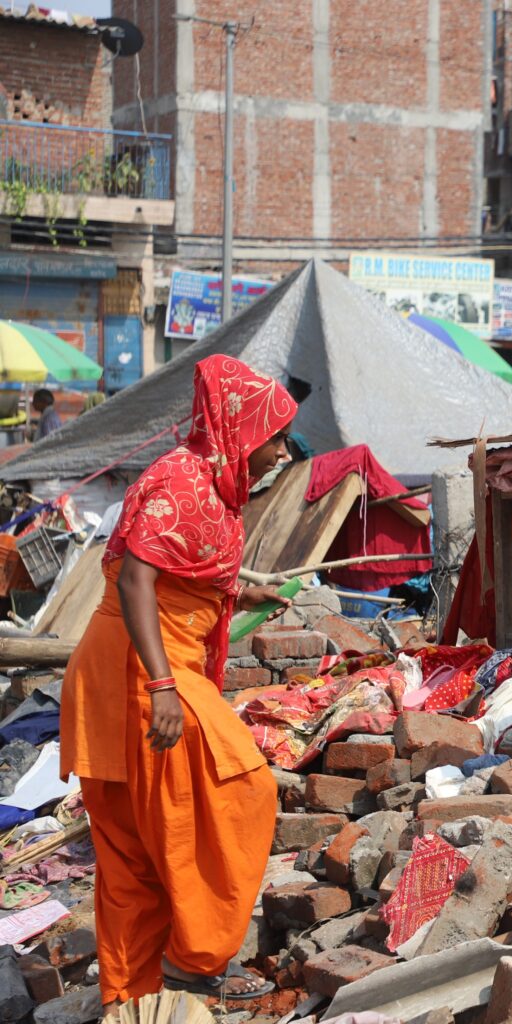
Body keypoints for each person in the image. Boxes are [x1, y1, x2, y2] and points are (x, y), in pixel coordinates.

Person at [60, 355, 298, 1015]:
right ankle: (192, 963)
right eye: (274, 436)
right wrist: (163, 685)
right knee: (242, 791)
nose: (282, 450)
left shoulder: (210, 482)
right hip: (142, 669)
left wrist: (241, 589)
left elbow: (175, 572)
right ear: (241, 430)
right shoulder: (183, 480)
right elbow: (137, 579)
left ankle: (135, 996)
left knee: (138, 845)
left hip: (139, 666)